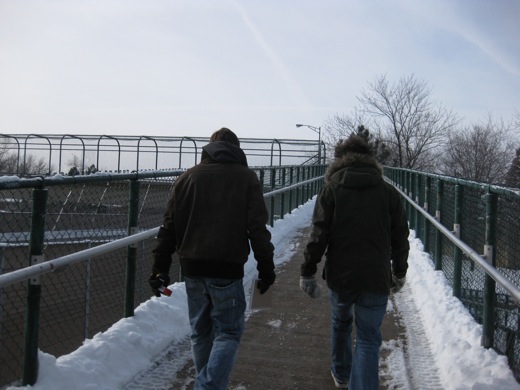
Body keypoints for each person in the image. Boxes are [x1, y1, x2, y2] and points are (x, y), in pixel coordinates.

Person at [149, 127, 276, 390]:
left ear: (209, 148)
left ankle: (207, 382)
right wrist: (266, 268)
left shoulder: (187, 178)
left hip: (192, 267)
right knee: (228, 332)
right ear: (237, 149)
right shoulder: (246, 178)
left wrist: (160, 268)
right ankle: (207, 385)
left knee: (200, 332)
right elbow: (258, 229)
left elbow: (169, 227)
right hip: (227, 268)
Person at [299, 134, 409, 390]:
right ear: (370, 159)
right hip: (375, 276)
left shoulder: (331, 190)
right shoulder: (387, 192)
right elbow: (400, 235)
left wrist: (308, 269)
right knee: (369, 339)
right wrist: (399, 271)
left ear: (340, 161)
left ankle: (341, 372)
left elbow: (318, 233)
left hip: (341, 275)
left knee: (341, 323)